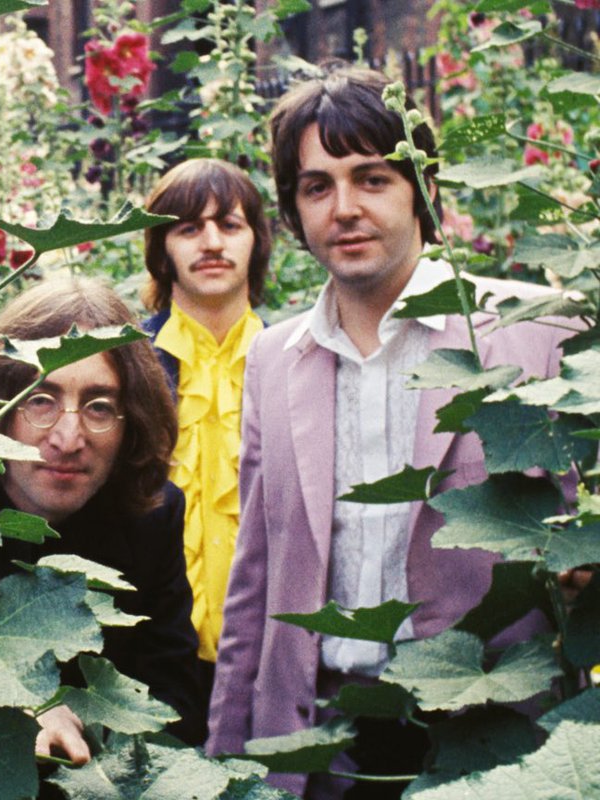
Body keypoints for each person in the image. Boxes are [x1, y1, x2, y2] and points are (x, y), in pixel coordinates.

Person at [206, 64, 574, 798]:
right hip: (320, 745)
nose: (344, 207)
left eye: (372, 178)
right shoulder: (275, 360)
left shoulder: (535, 335)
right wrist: (223, 761)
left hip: (492, 738)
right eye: (317, 186)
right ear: (293, 208)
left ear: (422, 190)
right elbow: (255, 576)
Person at [0, 276, 211, 760]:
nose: (68, 437)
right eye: (40, 400)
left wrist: (79, 721)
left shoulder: (151, 518)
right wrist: (13, 714)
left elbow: (177, 705)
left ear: (131, 420)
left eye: (99, 406)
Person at [140, 158, 271, 663]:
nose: (212, 243)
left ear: (255, 240)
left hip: (273, 649)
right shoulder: (128, 366)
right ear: (162, 249)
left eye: (230, 225)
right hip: (154, 656)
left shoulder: (298, 361)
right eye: (189, 228)